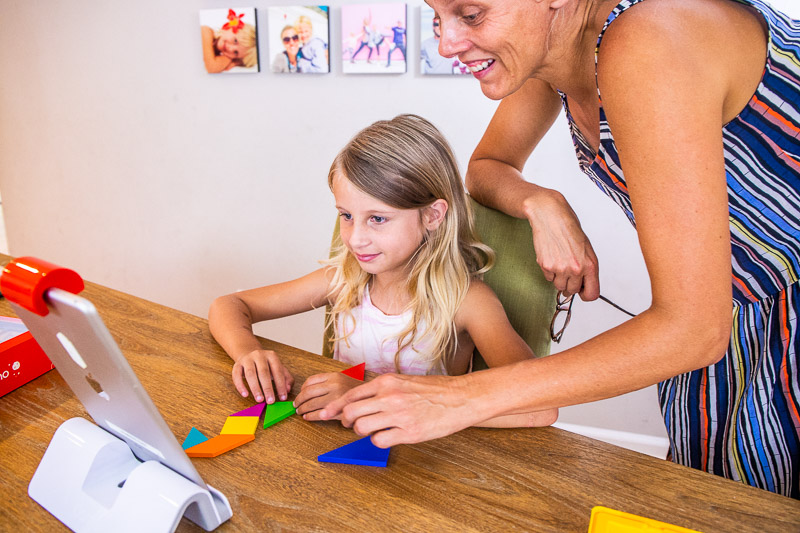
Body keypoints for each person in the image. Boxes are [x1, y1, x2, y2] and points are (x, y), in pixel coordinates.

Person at [321, 0, 800, 499]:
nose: (446, 44)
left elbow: (694, 328)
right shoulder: (553, 54)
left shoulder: (650, 37)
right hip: (740, 319)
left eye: (472, 14)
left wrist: (457, 397)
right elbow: (486, 166)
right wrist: (540, 202)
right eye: (439, 18)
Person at [208, 114, 558, 428]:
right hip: (339, 446)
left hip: (426, 462)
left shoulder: (467, 302)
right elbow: (229, 305)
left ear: (433, 215)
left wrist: (365, 393)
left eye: (377, 219)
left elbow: (537, 408)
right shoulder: (342, 281)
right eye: (346, 215)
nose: (355, 238)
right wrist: (248, 352)